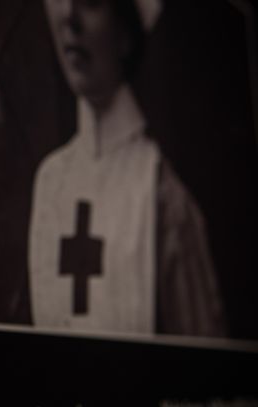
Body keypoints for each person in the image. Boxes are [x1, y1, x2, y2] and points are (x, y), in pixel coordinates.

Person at [28, 0, 226, 337]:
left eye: (90, 2)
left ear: (124, 36)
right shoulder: (50, 181)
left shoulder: (160, 192)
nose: (69, 18)